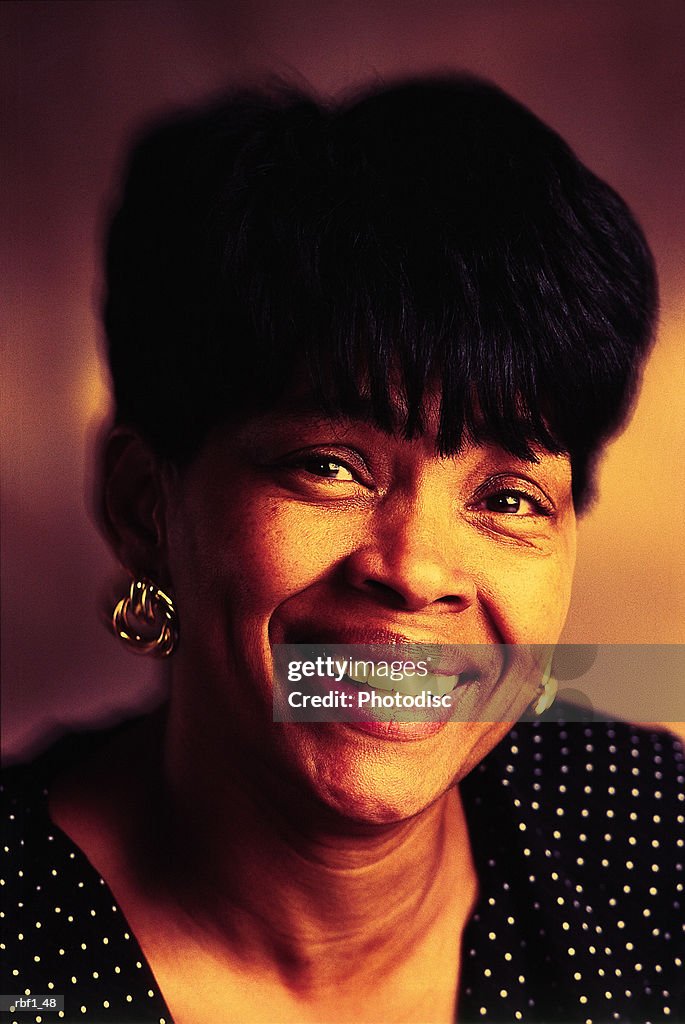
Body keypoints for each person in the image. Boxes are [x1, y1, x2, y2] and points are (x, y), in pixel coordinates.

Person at [2, 75, 683, 1024]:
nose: (412, 571)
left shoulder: (649, 839)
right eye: (329, 466)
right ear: (143, 506)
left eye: (507, 497)